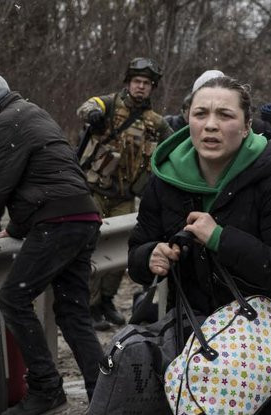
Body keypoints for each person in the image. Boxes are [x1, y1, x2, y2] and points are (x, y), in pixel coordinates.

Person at [128, 75, 271, 414]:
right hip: (198, 352)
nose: (211, 125)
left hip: (269, 354)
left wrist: (220, 238)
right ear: (187, 119)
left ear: (246, 126)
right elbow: (137, 255)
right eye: (201, 114)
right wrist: (150, 256)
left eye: (225, 115)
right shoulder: (164, 181)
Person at [0, 71, 104, 414]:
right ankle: (104, 392)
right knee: (72, 313)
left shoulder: (6, 123)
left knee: (13, 299)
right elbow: (39, 179)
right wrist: (16, 229)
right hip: (83, 217)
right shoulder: (34, 113)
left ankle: (45, 388)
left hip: (58, 223)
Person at [76, 57, 173, 330]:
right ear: (129, 83)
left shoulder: (154, 122)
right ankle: (90, 304)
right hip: (94, 191)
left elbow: (176, 144)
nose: (141, 87)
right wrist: (92, 114)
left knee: (121, 251)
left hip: (125, 196)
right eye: (137, 82)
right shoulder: (108, 105)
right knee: (92, 247)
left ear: (152, 88)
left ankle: (107, 301)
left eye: (146, 83)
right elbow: (87, 106)